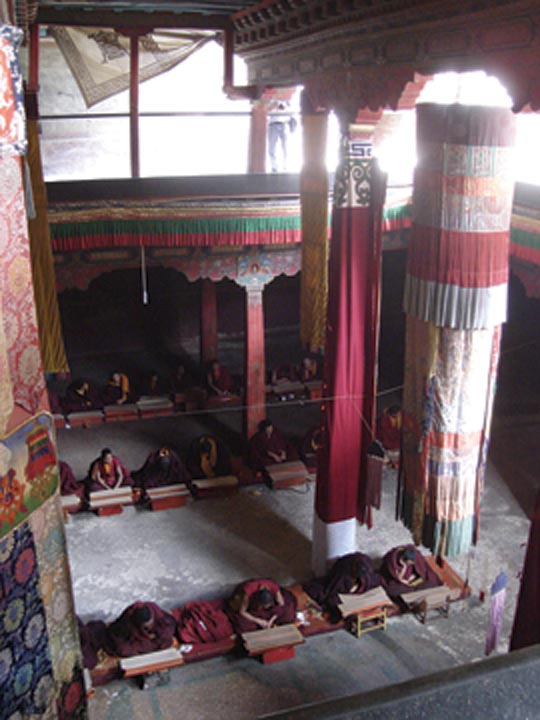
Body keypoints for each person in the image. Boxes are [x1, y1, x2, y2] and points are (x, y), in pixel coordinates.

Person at [303, 552, 382, 619]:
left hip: (360, 583)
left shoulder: (366, 563)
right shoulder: (342, 572)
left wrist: (360, 586)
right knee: (328, 599)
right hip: (344, 583)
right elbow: (333, 590)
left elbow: (370, 579)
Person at [104, 601, 177, 657]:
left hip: (154, 639)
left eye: (150, 622)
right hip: (138, 641)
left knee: (167, 639)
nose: (149, 625)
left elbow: (168, 624)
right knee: (123, 649)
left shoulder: (153, 608)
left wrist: (158, 634)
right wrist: (146, 636)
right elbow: (119, 634)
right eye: (145, 625)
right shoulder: (128, 618)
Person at [227, 578, 297, 633]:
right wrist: (258, 621)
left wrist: (271, 621)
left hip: (268, 612)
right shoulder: (249, 591)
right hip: (253, 608)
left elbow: (281, 605)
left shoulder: (273, 586)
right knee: (243, 625)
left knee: (288, 611)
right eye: (264, 606)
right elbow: (242, 612)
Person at [268, 100, 295, 173]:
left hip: (284, 124)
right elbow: (266, 110)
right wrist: (274, 106)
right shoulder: (270, 99)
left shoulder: (287, 100)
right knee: (272, 147)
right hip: (273, 124)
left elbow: (291, 112)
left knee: (285, 147)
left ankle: (285, 166)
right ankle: (274, 166)